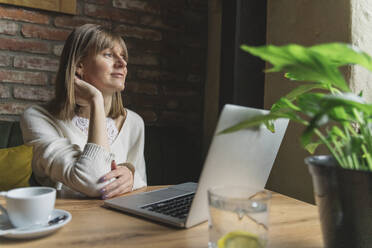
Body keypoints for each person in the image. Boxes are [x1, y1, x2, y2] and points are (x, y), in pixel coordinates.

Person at [20, 24, 147, 198]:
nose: (123, 63)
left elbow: (143, 185)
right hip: (66, 220)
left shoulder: (134, 122)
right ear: (79, 65)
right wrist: (96, 101)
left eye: (123, 56)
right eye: (109, 54)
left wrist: (130, 175)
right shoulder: (38, 118)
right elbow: (93, 182)